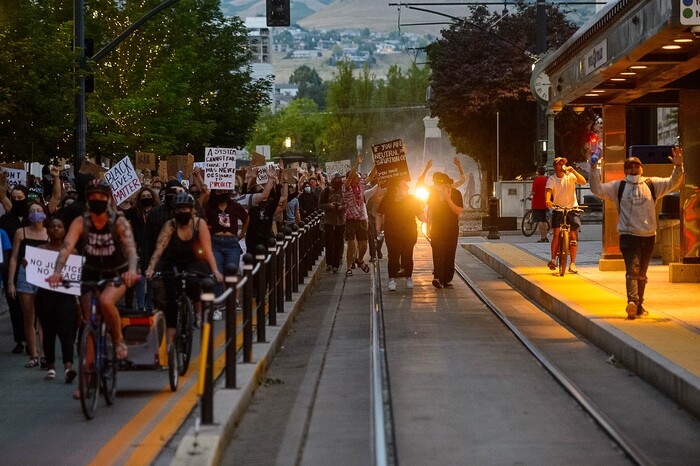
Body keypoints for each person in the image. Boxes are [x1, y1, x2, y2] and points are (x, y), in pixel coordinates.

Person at [47, 179, 139, 361]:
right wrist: (57, 271)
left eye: (101, 197)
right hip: (90, 271)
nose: (97, 200)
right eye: (93, 197)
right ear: (88, 200)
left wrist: (132, 270)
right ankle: (87, 379)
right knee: (89, 319)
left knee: (105, 301)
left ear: (108, 199)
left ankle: (118, 339)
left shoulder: (118, 222)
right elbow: (66, 248)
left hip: (116, 272)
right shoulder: (81, 222)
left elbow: (131, 250)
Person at [589, 149, 684, 319]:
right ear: (626, 170)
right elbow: (596, 189)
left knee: (642, 273)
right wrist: (594, 168)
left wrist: (678, 166)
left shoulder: (651, 184)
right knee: (633, 269)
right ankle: (632, 301)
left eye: (636, 166)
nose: (633, 169)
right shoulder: (618, 186)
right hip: (628, 236)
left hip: (648, 236)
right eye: (630, 166)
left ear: (641, 168)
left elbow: (673, 182)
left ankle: (639, 305)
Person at [145, 192, 221, 344]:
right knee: (171, 299)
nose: (182, 212)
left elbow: (207, 250)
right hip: (173, 262)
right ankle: (170, 341)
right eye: (179, 209)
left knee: (194, 282)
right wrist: (151, 268)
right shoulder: (170, 225)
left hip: (194, 261)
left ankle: (198, 312)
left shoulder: (199, 224)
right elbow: (159, 248)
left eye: (185, 209)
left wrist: (215, 271)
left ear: (192, 209)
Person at [36, 216, 77, 382]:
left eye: (59, 227)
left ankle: (68, 368)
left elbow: (75, 277)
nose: (55, 229)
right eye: (52, 227)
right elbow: (34, 271)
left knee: (66, 332)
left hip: (65, 296)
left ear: (64, 230)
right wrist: (27, 264)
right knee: (48, 331)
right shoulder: (40, 250)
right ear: (47, 230)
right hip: (45, 296)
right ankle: (51, 367)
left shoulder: (72, 252)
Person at [8, 200, 49, 368]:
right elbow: (14, 258)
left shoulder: (49, 232)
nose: (35, 213)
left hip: (44, 274)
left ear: (44, 213)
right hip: (25, 275)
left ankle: (45, 355)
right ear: (27, 214)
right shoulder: (21, 232)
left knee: (44, 318)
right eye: (32, 210)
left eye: (38, 210)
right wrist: (11, 282)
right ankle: (33, 355)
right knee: (29, 317)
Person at [376, 178, 427, 291]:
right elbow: (379, 214)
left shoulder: (411, 199)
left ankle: (409, 277)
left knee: (407, 255)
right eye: (403, 185)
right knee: (393, 256)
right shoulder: (388, 200)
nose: (406, 187)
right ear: (397, 187)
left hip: (409, 232)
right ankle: (392, 279)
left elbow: (419, 213)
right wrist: (377, 227)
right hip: (392, 232)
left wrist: (429, 220)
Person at [545, 157, 587, 273]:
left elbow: (583, 182)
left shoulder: (570, 176)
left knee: (573, 236)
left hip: (572, 208)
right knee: (556, 234)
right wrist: (548, 200)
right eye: (559, 163)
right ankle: (553, 259)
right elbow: (548, 190)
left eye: (563, 163)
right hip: (558, 209)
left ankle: (572, 264)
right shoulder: (552, 179)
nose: (562, 165)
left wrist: (574, 171)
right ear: (555, 167)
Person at [124, 186, 160, 310]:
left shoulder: (158, 212)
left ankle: (149, 306)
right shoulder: (134, 212)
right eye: (143, 196)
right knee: (139, 279)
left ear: (153, 198)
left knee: (151, 279)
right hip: (139, 249)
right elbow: (119, 215)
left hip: (154, 250)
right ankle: (140, 307)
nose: (146, 198)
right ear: (139, 199)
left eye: (148, 196)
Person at [426, 172, 463, 288]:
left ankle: (446, 278)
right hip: (437, 228)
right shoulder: (433, 193)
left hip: (451, 229)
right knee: (437, 252)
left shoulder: (456, 193)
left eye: (437, 183)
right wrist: (428, 226)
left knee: (449, 253)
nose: (435, 185)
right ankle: (437, 277)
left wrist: (448, 199)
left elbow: (458, 211)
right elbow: (430, 209)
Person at [342, 157, 376, 276]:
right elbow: (350, 176)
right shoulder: (346, 187)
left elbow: (371, 176)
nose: (358, 178)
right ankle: (348, 267)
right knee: (351, 244)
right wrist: (357, 163)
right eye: (357, 176)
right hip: (351, 219)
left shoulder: (361, 185)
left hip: (361, 219)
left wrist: (377, 163)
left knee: (363, 245)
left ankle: (360, 260)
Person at [318, 173, 346, 273]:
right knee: (329, 242)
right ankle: (329, 263)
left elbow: (347, 205)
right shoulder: (325, 191)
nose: (339, 181)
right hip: (329, 221)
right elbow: (320, 205)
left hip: (341, 221)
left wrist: (340, 207)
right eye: (337, 179)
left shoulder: (344, 191)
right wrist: (329, 205)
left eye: (340, 179)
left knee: (339, 243)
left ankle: (336, 264)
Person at [531, 166, 550, 242]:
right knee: (544, 220)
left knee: (539, 221)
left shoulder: (536, 180)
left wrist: (530, 194)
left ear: (538, 172)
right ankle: (545, 236)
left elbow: (534, 192)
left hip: (537, 203)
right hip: (545, 202)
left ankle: (542, 237)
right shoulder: (547, 180)